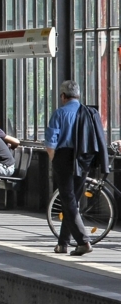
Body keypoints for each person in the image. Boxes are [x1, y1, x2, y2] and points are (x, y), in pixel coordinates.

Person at [45, 80, 109, 256]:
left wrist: (54, 160)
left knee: (69, 200)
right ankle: (63, 243)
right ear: (78, 95)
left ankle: (83, 241)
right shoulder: (88, 113)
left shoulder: (59, 113)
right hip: (84, 158)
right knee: (72, 201)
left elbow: (50, 144)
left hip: (64, 157)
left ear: (63, 96)